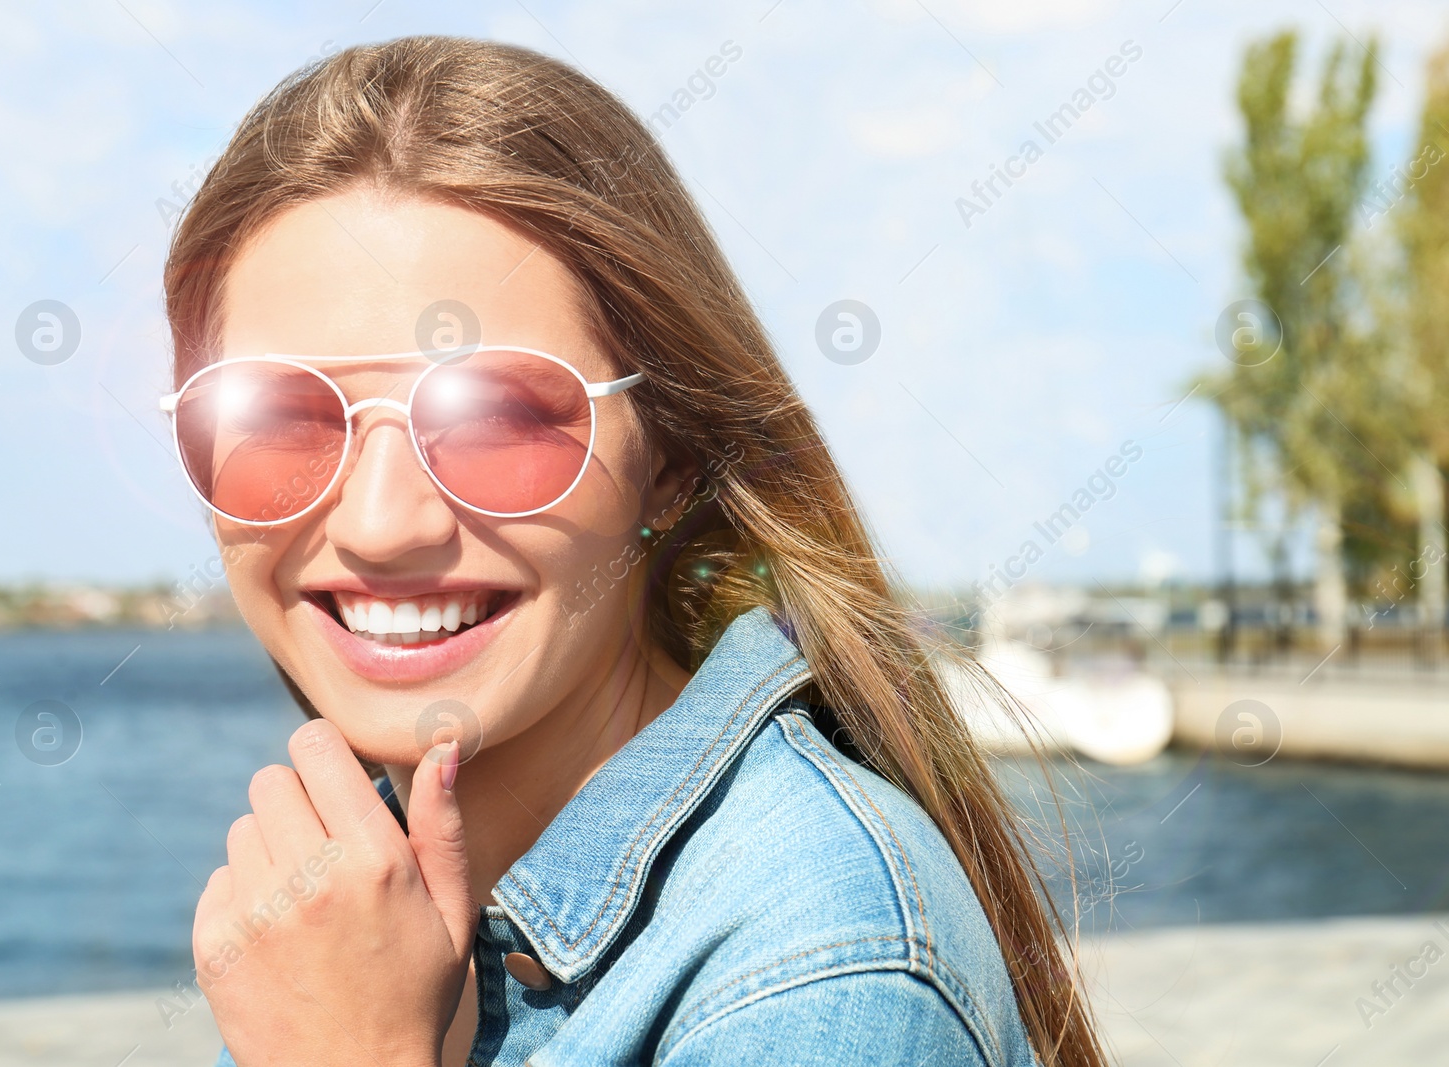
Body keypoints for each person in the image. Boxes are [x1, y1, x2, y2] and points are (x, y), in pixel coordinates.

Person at [158, 36, 1103, 1067]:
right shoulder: (356, 921)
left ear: (670, 458)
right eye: (278, 416)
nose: (383, 524)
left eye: (500, 414)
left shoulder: (828, 962)